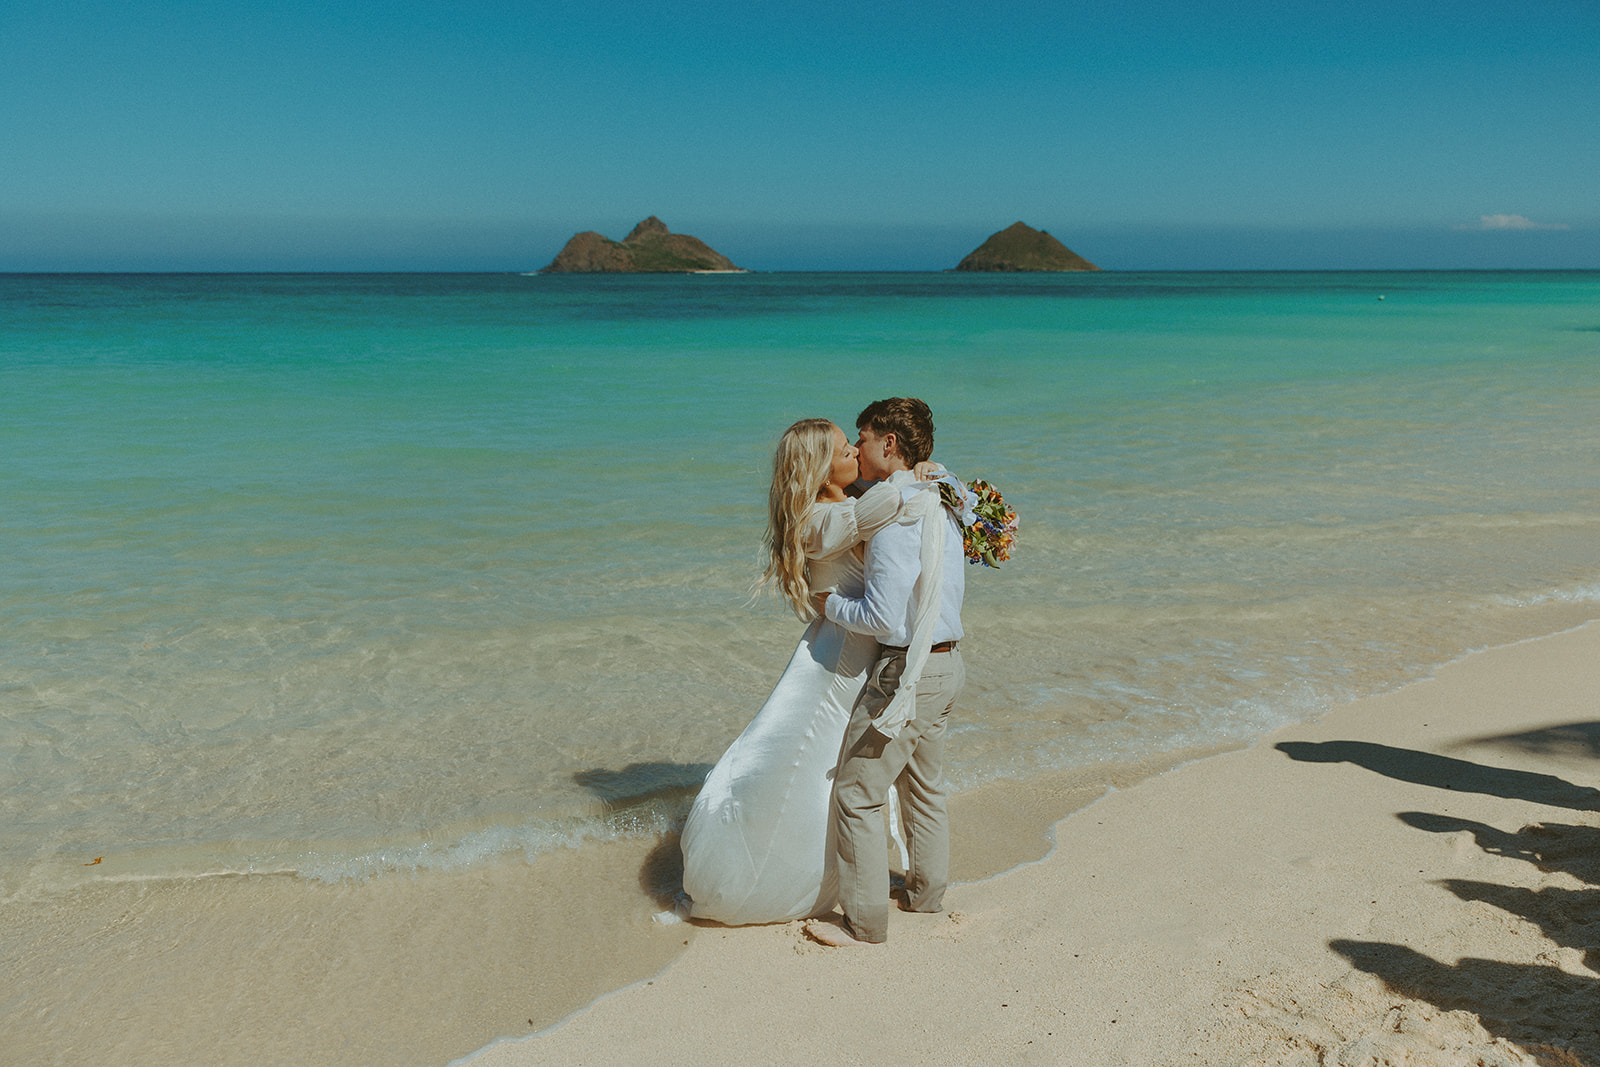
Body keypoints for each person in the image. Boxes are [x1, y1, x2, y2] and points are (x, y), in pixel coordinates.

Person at [678, 418, 909, 924]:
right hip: (837, 663)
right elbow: (885, 506)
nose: (856, 454)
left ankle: (840, 870)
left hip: (847, 650)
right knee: (808, 768)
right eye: (847, 449)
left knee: (832, 770)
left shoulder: (840, 504)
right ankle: (766, 877)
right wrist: (921, 477)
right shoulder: (818, 520)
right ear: (822, 468)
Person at [806, 397, 968, 947]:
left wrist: (828, 604)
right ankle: (926, 895)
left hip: (908, 674)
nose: (857, 447)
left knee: (857, 792)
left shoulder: (895, 513)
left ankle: (865, 922)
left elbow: (879, 617)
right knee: (924, 788)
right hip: (950, 665)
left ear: (889, 444)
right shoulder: (943, 496)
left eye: (864, 437)